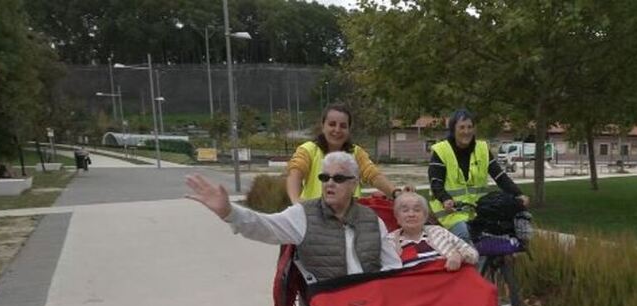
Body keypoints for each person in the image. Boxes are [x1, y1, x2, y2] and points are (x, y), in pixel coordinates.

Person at [188, 151, 402, 279]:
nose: (329, 183)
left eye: (338, 178)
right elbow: (264, 226)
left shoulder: (372, 219)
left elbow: (392, 265)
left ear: (354, 183)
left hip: (371, 297)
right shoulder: (304, 214)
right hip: (331, 301)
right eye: (324, 177)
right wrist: (229, 212)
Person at [428, 109, 529, 242]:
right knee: (466, 234)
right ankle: (472, 263)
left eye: (470, 127)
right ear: (453, 129)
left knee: (507, 231)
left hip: (478, 212)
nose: (466, 131)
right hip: (451, 213)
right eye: (462, 127)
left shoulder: (482, 149)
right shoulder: (441, 150)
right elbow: (436, 182)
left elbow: (500, 176)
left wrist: (518, 194)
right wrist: (445, 198)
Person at [286, 102, 406, 203]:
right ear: (323, 126)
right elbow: (295, 174)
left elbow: (374, 175)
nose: (337, 130)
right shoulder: (308, 150)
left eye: (343, 126)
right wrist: (295, 201)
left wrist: (396, 193)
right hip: (315, 220)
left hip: (350, 219)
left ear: (349, 130)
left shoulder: (356, 153)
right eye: (332, 124)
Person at [388, 191, 479, 270]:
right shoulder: (389, 241)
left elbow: (473, 254)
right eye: (405, 211)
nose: (411, 214)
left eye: (417, 210)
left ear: (425, 216)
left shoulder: (439, 231)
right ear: (397, 217)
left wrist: (459, 256)